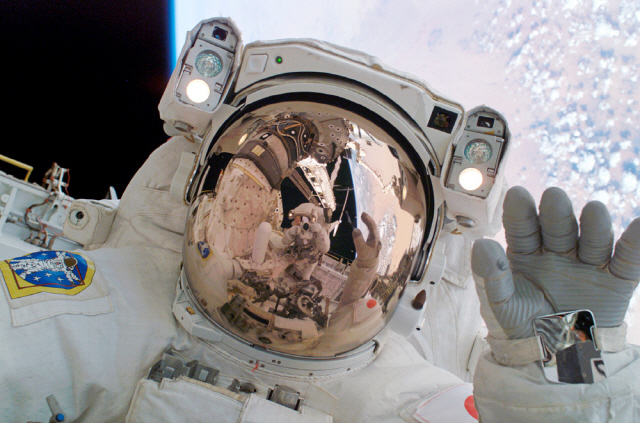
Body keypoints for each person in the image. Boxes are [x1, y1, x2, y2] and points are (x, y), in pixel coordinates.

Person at [1, 17, 639, 422]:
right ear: (194, 196)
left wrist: (571, 350)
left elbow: (554, 412)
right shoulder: (114, 310)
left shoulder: (398, 392)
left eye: (316, 220)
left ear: (416, 265)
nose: (302, 229)